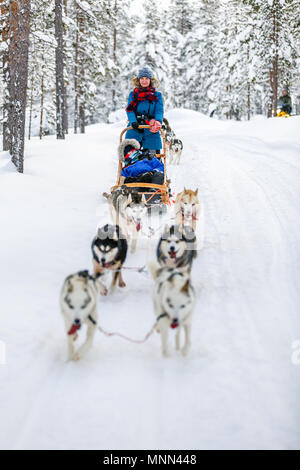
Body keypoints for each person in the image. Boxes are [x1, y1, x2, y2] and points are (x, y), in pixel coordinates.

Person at [125, 66, 164, 153]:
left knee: (153, 155)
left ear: (150, 80)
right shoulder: (133, 94)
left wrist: (158, 121)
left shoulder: (157, 95)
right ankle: (131, 164)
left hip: (150, 126)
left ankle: (154, 164)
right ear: (138, 80)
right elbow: (129, 110)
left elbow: (159, 110)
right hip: (135, 125)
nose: (144, 81)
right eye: (142, 78)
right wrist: (133, 121)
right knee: (130, 152)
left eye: (146, 78)